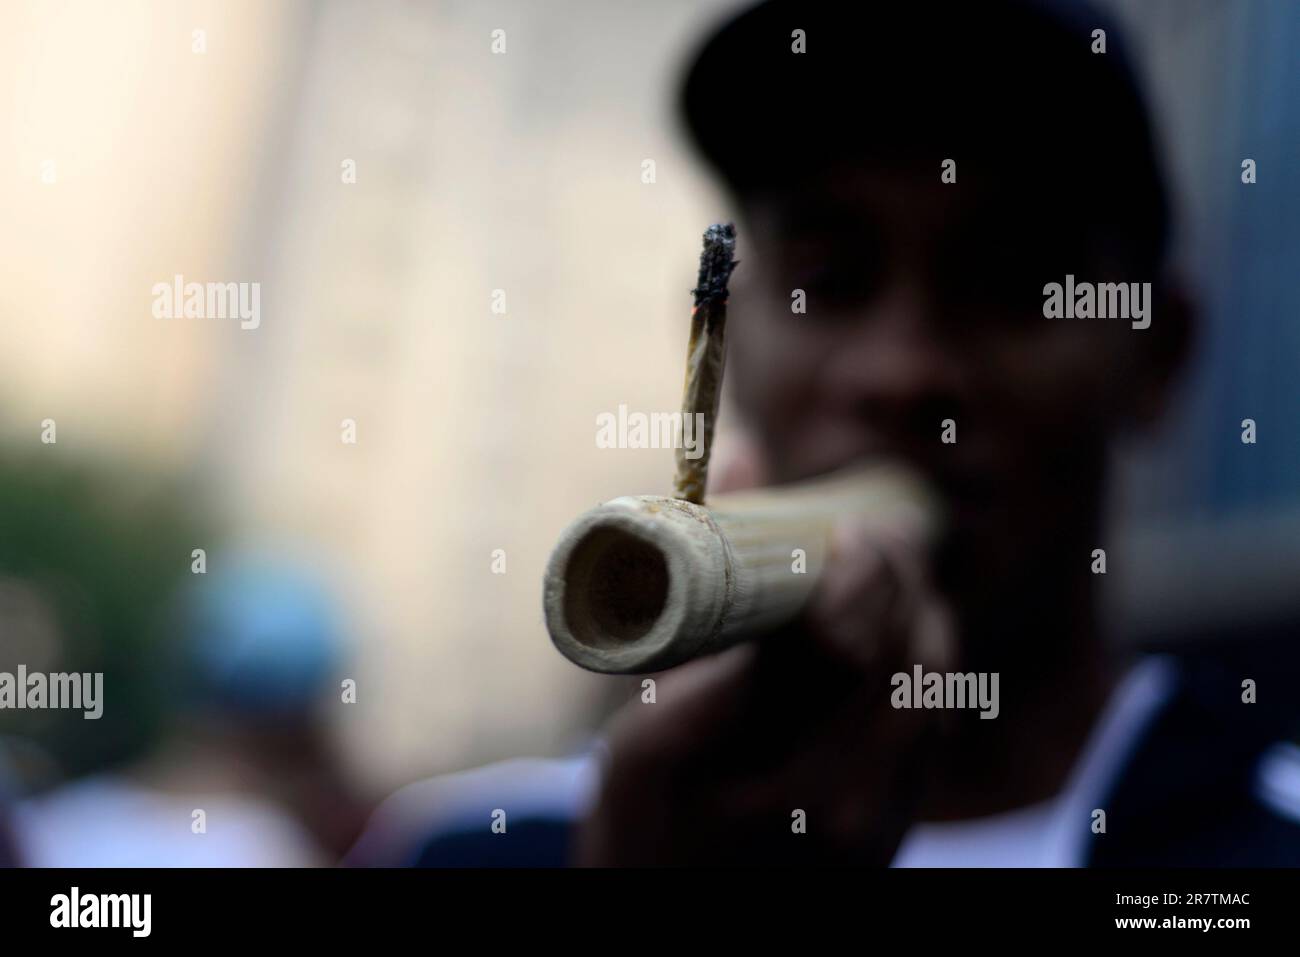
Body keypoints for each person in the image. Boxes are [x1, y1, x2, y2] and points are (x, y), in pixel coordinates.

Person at [354, 0, 1300, 867]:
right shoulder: (468, 848)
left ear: (1160, 356)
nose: (901, 373)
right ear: (743, 322)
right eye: (831, 279)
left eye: (1014, 285)